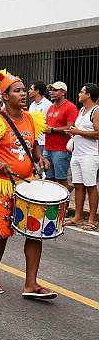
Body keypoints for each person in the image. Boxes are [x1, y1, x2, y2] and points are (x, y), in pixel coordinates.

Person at [0, 69, 55, 299]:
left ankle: (31, 284)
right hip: (3, 185)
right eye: (16, 91)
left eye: (24, 90)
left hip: (27, 186)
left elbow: (33, 143)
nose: (23, 94)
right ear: (5, 96)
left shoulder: (32, 118)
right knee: (1, 233)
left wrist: (39, 157)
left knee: (35, 233)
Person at [65, 83, 99, 231]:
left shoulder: (96, 111)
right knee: (78, 185)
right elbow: (80, 130)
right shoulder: (82, 110)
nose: (79, 94)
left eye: (81, 91)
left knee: (91, 187)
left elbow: (98, 133)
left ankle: (92, 220)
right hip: (77, 153)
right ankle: (78, 217)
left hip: (89, 155)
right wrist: (72, 131)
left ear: (89, 94)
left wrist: (78, 132)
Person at [44, 82, 78, 190]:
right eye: (51, 90)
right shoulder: (50, 107)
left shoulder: (70, 107)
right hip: (47, 147)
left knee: (61, 179)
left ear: (63, 92)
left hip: (61, 150)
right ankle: (52, 205)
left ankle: (64, 204)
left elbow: (71, 128)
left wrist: (52, 130)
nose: (51, 92)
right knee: (49, 179)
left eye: (55, 90)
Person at [28, 81, 52, 154]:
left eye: (31, 89)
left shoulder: (48, 105)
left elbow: (50, 123)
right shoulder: (32, 105)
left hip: (43, 142)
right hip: (32, 141)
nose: (29, 91)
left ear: (37, 91)